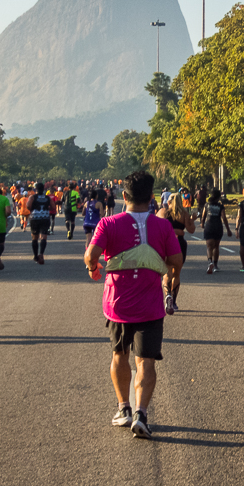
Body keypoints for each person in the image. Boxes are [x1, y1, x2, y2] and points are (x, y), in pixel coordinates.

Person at [84, 170, 184, 440]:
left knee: (120, 356)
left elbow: (91, 256)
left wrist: (94, 268)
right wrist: (166, 274)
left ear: (123, 196)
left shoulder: (107, 224)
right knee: (146, 361)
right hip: (151, 305)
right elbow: (176, 260)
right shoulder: (163, 226)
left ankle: (123, 408)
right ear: (152, 198)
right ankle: (141, 413)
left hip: (118, 304)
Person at [159, 192, 195, 313]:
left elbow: (155, 227)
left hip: (165, 244)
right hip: (179, 244)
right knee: (177, 273)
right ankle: (173, 301)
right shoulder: (184, 214)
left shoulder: (163, 212)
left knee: (166, 272)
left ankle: (167, 295)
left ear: (168, 202)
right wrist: (191, 221)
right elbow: (191, 230)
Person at [199, 188, 232, 274]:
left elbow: (203, 216)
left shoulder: (207, 205)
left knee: (209, 247)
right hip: (218, 227)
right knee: (216, 247)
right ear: (218, 197)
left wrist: (202, 224)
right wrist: (228, 229)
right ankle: (216, 265)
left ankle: (210, 262)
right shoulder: (220, 206)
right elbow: (224, 218)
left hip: (209, 226)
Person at [26, 181, 56, 264]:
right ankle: (41, 253)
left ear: (36, 189)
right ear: (43, 189)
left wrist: (33, 209)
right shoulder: (47, 198)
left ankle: (35, 255)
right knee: (43, 237)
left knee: (34, 237)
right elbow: (53, 207)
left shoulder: (33, 197)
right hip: (45, 218)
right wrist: (46, 209)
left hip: (35, 218)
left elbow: (28, 206)